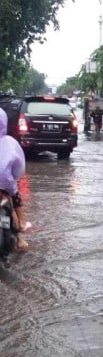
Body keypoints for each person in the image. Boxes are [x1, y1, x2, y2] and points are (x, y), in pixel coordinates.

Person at [0, 107, 31, 250]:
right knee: (16, 199)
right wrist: (15, 178)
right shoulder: (10, 143)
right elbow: (20, 167)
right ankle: (21, 231)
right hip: (6, 185)